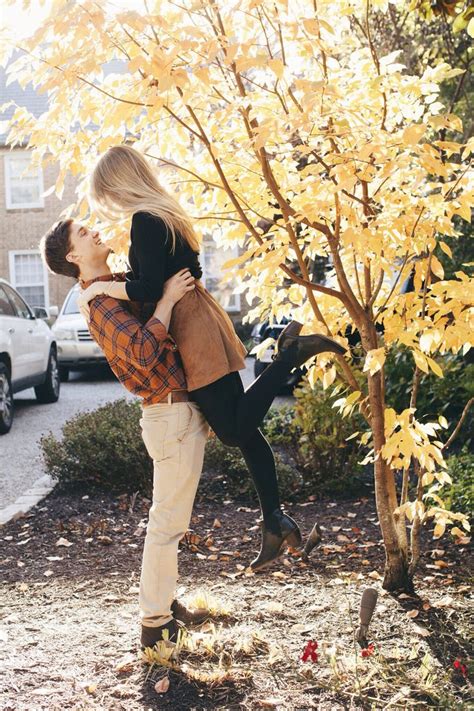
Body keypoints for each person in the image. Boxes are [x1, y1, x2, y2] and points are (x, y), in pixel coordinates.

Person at [78, 144, 348, 570]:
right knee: (242, 427)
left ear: (119, 183)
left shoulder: (146, 221)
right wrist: (135, 283)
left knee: (233, 428)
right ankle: (274, 522)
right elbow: (170, 275)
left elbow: (149, 288)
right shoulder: (162, 214)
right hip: (195, 318)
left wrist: (100, 289)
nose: (109, 203)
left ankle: (289, 356)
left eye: (108, 193)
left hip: (191, 326)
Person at [40, 219, 211, 651]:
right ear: (73, 257)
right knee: (166, 525)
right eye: (83, 233)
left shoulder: (112, 287)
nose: (95, 231)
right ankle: (154, 626)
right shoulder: (97, 304)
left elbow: (143, 287)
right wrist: (169, 300)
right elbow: (141, 351)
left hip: (176, 410)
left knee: (171, 521)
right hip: (168, 413)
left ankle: (165, 604)